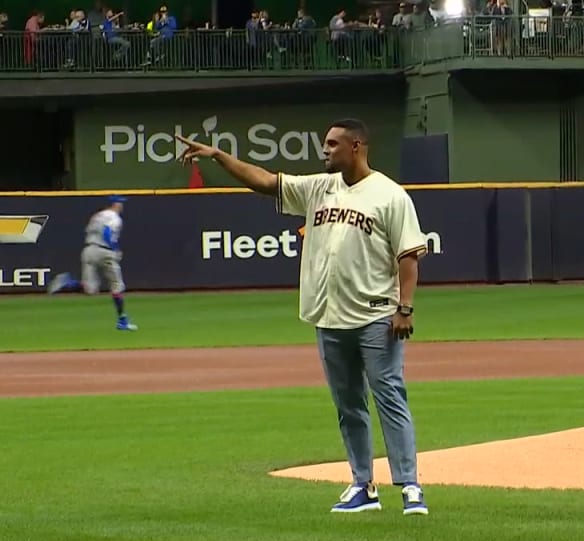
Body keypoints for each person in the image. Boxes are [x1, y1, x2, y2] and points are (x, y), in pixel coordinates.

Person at [174, 119, 430, 516]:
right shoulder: (318, 188)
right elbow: (264, 182)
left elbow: (408, 256)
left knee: (390, 398)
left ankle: (410, 486)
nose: (324, 150)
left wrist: (405, 308)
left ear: (357, 146)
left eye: (332, 144)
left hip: (377, 316)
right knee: (349, 407)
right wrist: (219, 157)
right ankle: (363, 485)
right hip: (329, 317)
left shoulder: (389, 195)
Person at [47, 195, 138, 331]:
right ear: (116, 204)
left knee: (90, 289)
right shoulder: (114, 218)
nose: (121, 206)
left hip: (89, 250)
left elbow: (88, 231)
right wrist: (115, 248)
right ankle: (122, 320)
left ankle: (68, 282)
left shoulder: (97, 216)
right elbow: (107, 232)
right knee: (117, 286)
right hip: (105, 252)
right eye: (120, 203)